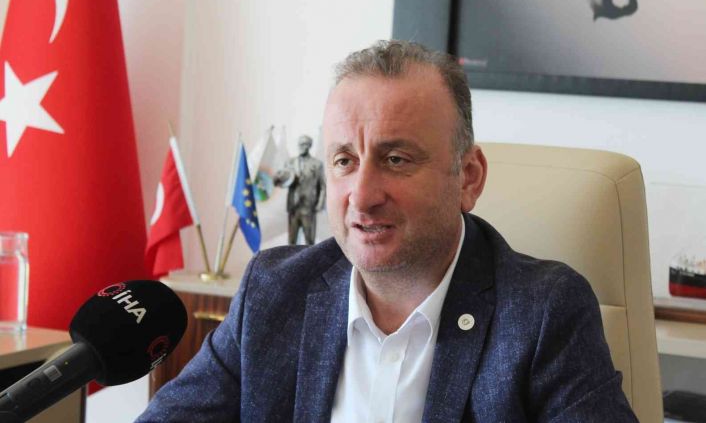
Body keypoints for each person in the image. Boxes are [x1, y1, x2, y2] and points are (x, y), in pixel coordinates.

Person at [136, 40, 637, 422]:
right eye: (344, 161)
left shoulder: (541, 312)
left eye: (396, 159)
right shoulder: (275, 290)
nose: (362, 195)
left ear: (468, 177)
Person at [274, 134, 326, 244]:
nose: (302, 147)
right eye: (300, 144)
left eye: (305, 144)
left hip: (309, 208)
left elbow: (322, 186)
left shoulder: (317, 164)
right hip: (293, 208)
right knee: (291, 242)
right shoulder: (290, 163)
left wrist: (319, 205)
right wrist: (278, 178)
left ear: (309, 146)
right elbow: (280, 182)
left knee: (309, 242)